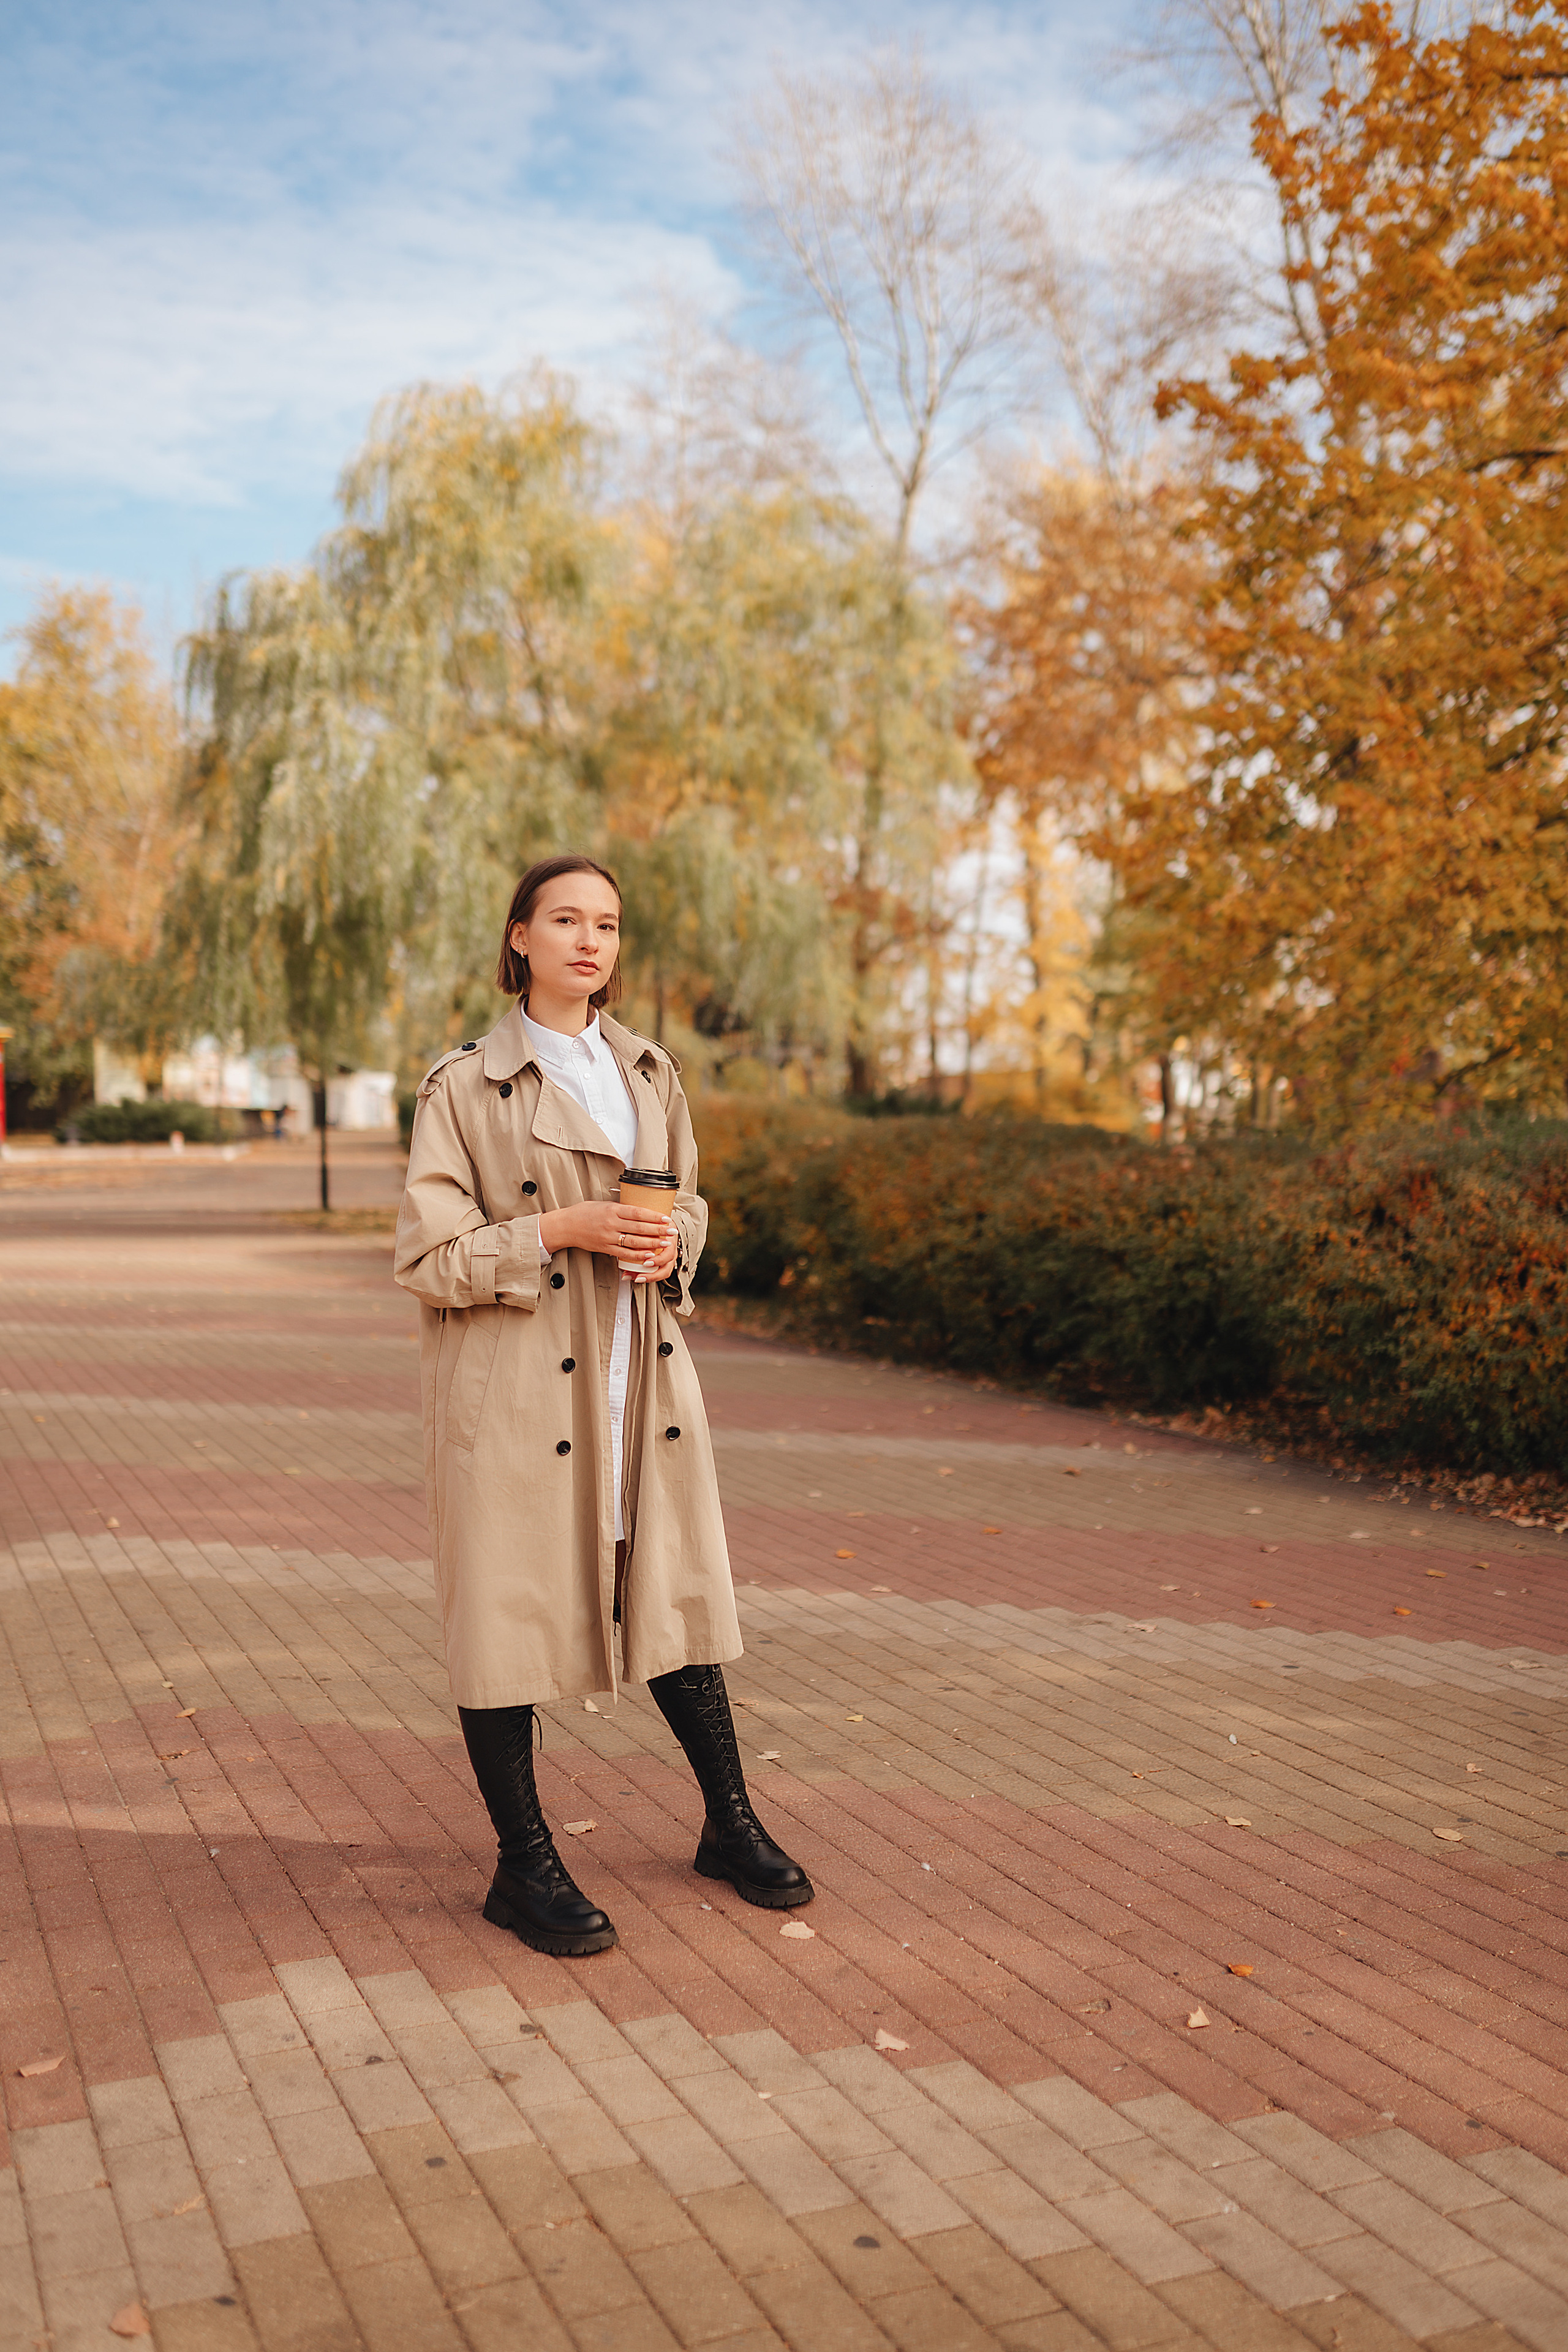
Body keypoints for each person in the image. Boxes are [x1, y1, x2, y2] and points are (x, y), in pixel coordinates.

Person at [394, 853, 812, 1956]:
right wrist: (558, 1231)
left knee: (668, 1587)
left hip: (641, 1374)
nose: (591, 941)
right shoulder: (464, 1087)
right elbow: (427, 1257)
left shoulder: (648, 1072)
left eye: (610, 925)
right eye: (567, 920)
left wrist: (675, 1237)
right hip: (520, 1387)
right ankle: (522, 1866)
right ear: (520, 938)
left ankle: (729, 1824)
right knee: (505, 1610)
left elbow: (687, 1202)